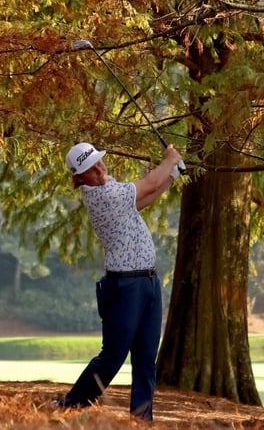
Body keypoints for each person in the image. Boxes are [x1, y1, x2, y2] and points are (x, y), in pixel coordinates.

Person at [54, 141, 183, 421]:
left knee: (146, 356)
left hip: (147, 281)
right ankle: (72, 403)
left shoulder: (111, 188)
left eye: (99, 162)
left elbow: (143, 199)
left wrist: (171, 176)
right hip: (125, 286)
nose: (100, 169)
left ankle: (141, 418)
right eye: (91, 168)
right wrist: (170, 160)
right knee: (113, 355)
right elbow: (149, 184)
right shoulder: (103, 196)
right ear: (79, 177)